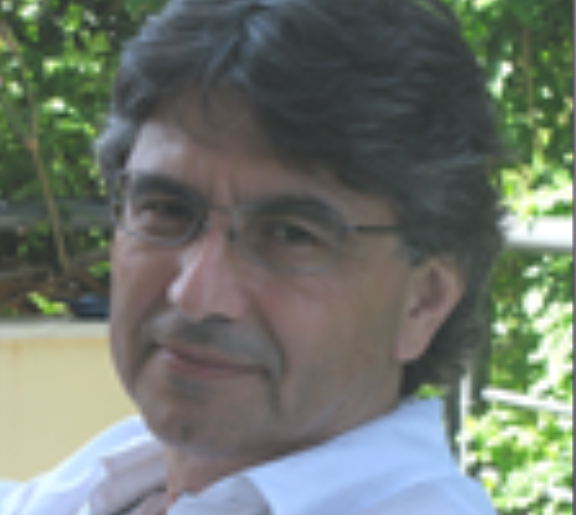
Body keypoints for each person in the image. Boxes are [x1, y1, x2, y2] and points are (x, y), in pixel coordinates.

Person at [0, 0, 505, 513]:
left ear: (423, 302)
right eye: (167, 209)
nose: (195, 294)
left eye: (291, 235)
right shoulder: (122, 467)